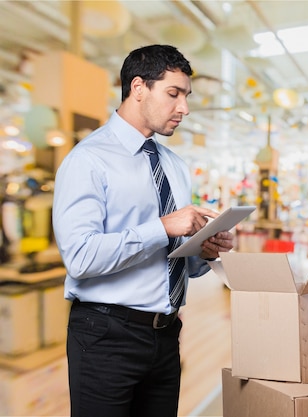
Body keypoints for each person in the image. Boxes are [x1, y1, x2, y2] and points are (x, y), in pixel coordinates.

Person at [52, 44, 234, 417]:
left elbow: (174, 257)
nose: (184, 108)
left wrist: (204, 250)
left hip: (166, 335)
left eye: (186, 96)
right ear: (138, 88)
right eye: (174, 94)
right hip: (106, 335)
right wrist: (163, 226)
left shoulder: (175, 166)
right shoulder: (88, 160)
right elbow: (80, 257)